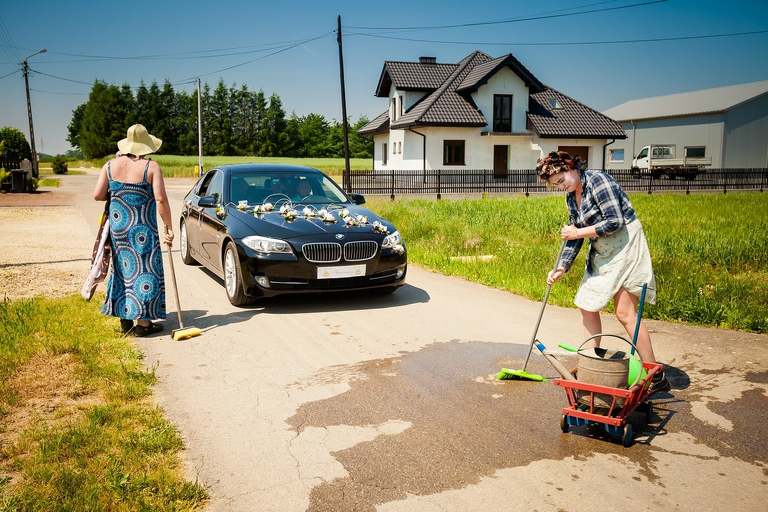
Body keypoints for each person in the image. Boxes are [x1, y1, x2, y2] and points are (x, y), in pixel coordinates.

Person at [537, 151, 670, 393]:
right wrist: (562, 267)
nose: (561, 186)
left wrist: (577, 232)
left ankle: (655, 374)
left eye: (561, 178)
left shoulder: (599, 181)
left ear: (571, 167)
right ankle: (591, 362)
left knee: (625, 313)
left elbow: (614, 221)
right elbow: (575, 235)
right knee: (587, 304)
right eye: (556, 185)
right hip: (603, 250)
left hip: (626, 245)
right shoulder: (571, 197)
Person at [92, 124, 174, 336]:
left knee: (122, 269)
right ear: (145, 146)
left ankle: (125, 319)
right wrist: (169, 226)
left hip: (119, 228)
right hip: (143, 229)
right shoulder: (151, 167)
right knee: (145, 270)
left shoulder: (109, 166)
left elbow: (98, 195)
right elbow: (161, 200)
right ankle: (144, 324)